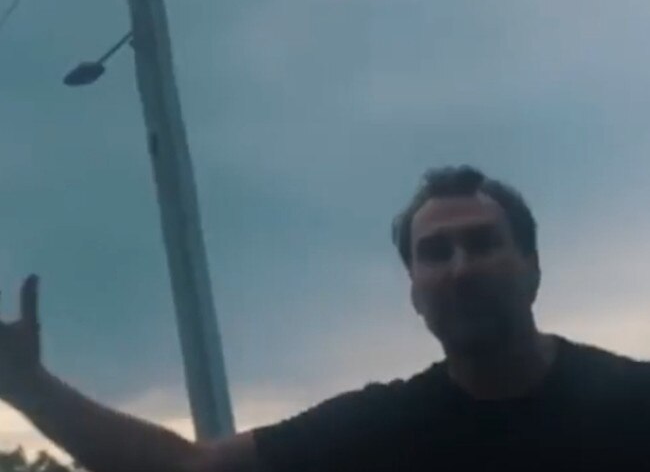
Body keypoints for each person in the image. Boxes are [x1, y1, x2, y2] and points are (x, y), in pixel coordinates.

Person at [1, 165, 649, 470]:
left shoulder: (632, 402)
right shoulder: (381, 428)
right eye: (435, 253)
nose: (459, 266)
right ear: (415, 291)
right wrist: (31, 388)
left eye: (482, 243)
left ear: (532, 266)